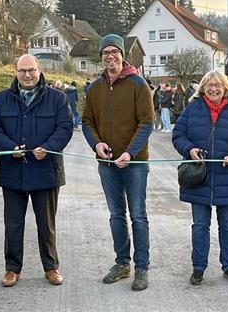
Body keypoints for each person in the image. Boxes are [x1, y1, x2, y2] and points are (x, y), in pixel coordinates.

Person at [0, 54, 73, 288]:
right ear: (15, 72)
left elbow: (65, 128)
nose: (27, 75)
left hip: (46, 171)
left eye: (31, 70)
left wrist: (50, 147)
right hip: (12, 172)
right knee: (13, 224)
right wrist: (8, 148)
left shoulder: (57, 99)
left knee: (47, 224)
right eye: (22, 71)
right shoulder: (1, 99)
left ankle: (51, 267)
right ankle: (12, 269)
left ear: (39, 70)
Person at [82, 33, 154, 291]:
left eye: (115, 52)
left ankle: (142, 267)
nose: (110, 56)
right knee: (116, 215)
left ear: (123, 55)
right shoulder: (95, 88)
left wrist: (130, 153)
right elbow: (87, 122)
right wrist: (96, 144)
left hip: (133, 164)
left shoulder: (138, 84)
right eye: (105, 53)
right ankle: (122, 263)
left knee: (138, 215)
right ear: (101, 57)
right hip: (107, 164)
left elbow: (146, 123)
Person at [172, 70, 228, 285]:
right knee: (200, 225)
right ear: (202, 88)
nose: (213, 88)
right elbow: (178, 135)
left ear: (225, 87)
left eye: (218, 84)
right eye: (209, 84)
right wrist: (189, 149)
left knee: (227, 225)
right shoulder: (193, 108)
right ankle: (198, 267)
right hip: (199, 177)